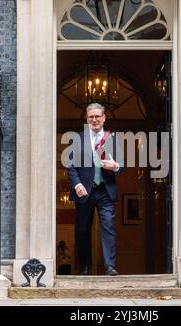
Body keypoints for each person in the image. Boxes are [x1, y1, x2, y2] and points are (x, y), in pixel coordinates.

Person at [67, 103, 124, 276]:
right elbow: (70, 167)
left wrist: (115, 166)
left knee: (108, 227)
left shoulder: (112, 139)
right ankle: (84, 266)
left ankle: (110, 266)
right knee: (83, 230)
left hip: (106, 191)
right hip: (85, 191)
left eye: (97, 116)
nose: (94, 119)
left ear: (104, 118)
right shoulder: (78, 139)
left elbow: (121, 166)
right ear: (87, 119)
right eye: (91, 117)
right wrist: (77, 185)